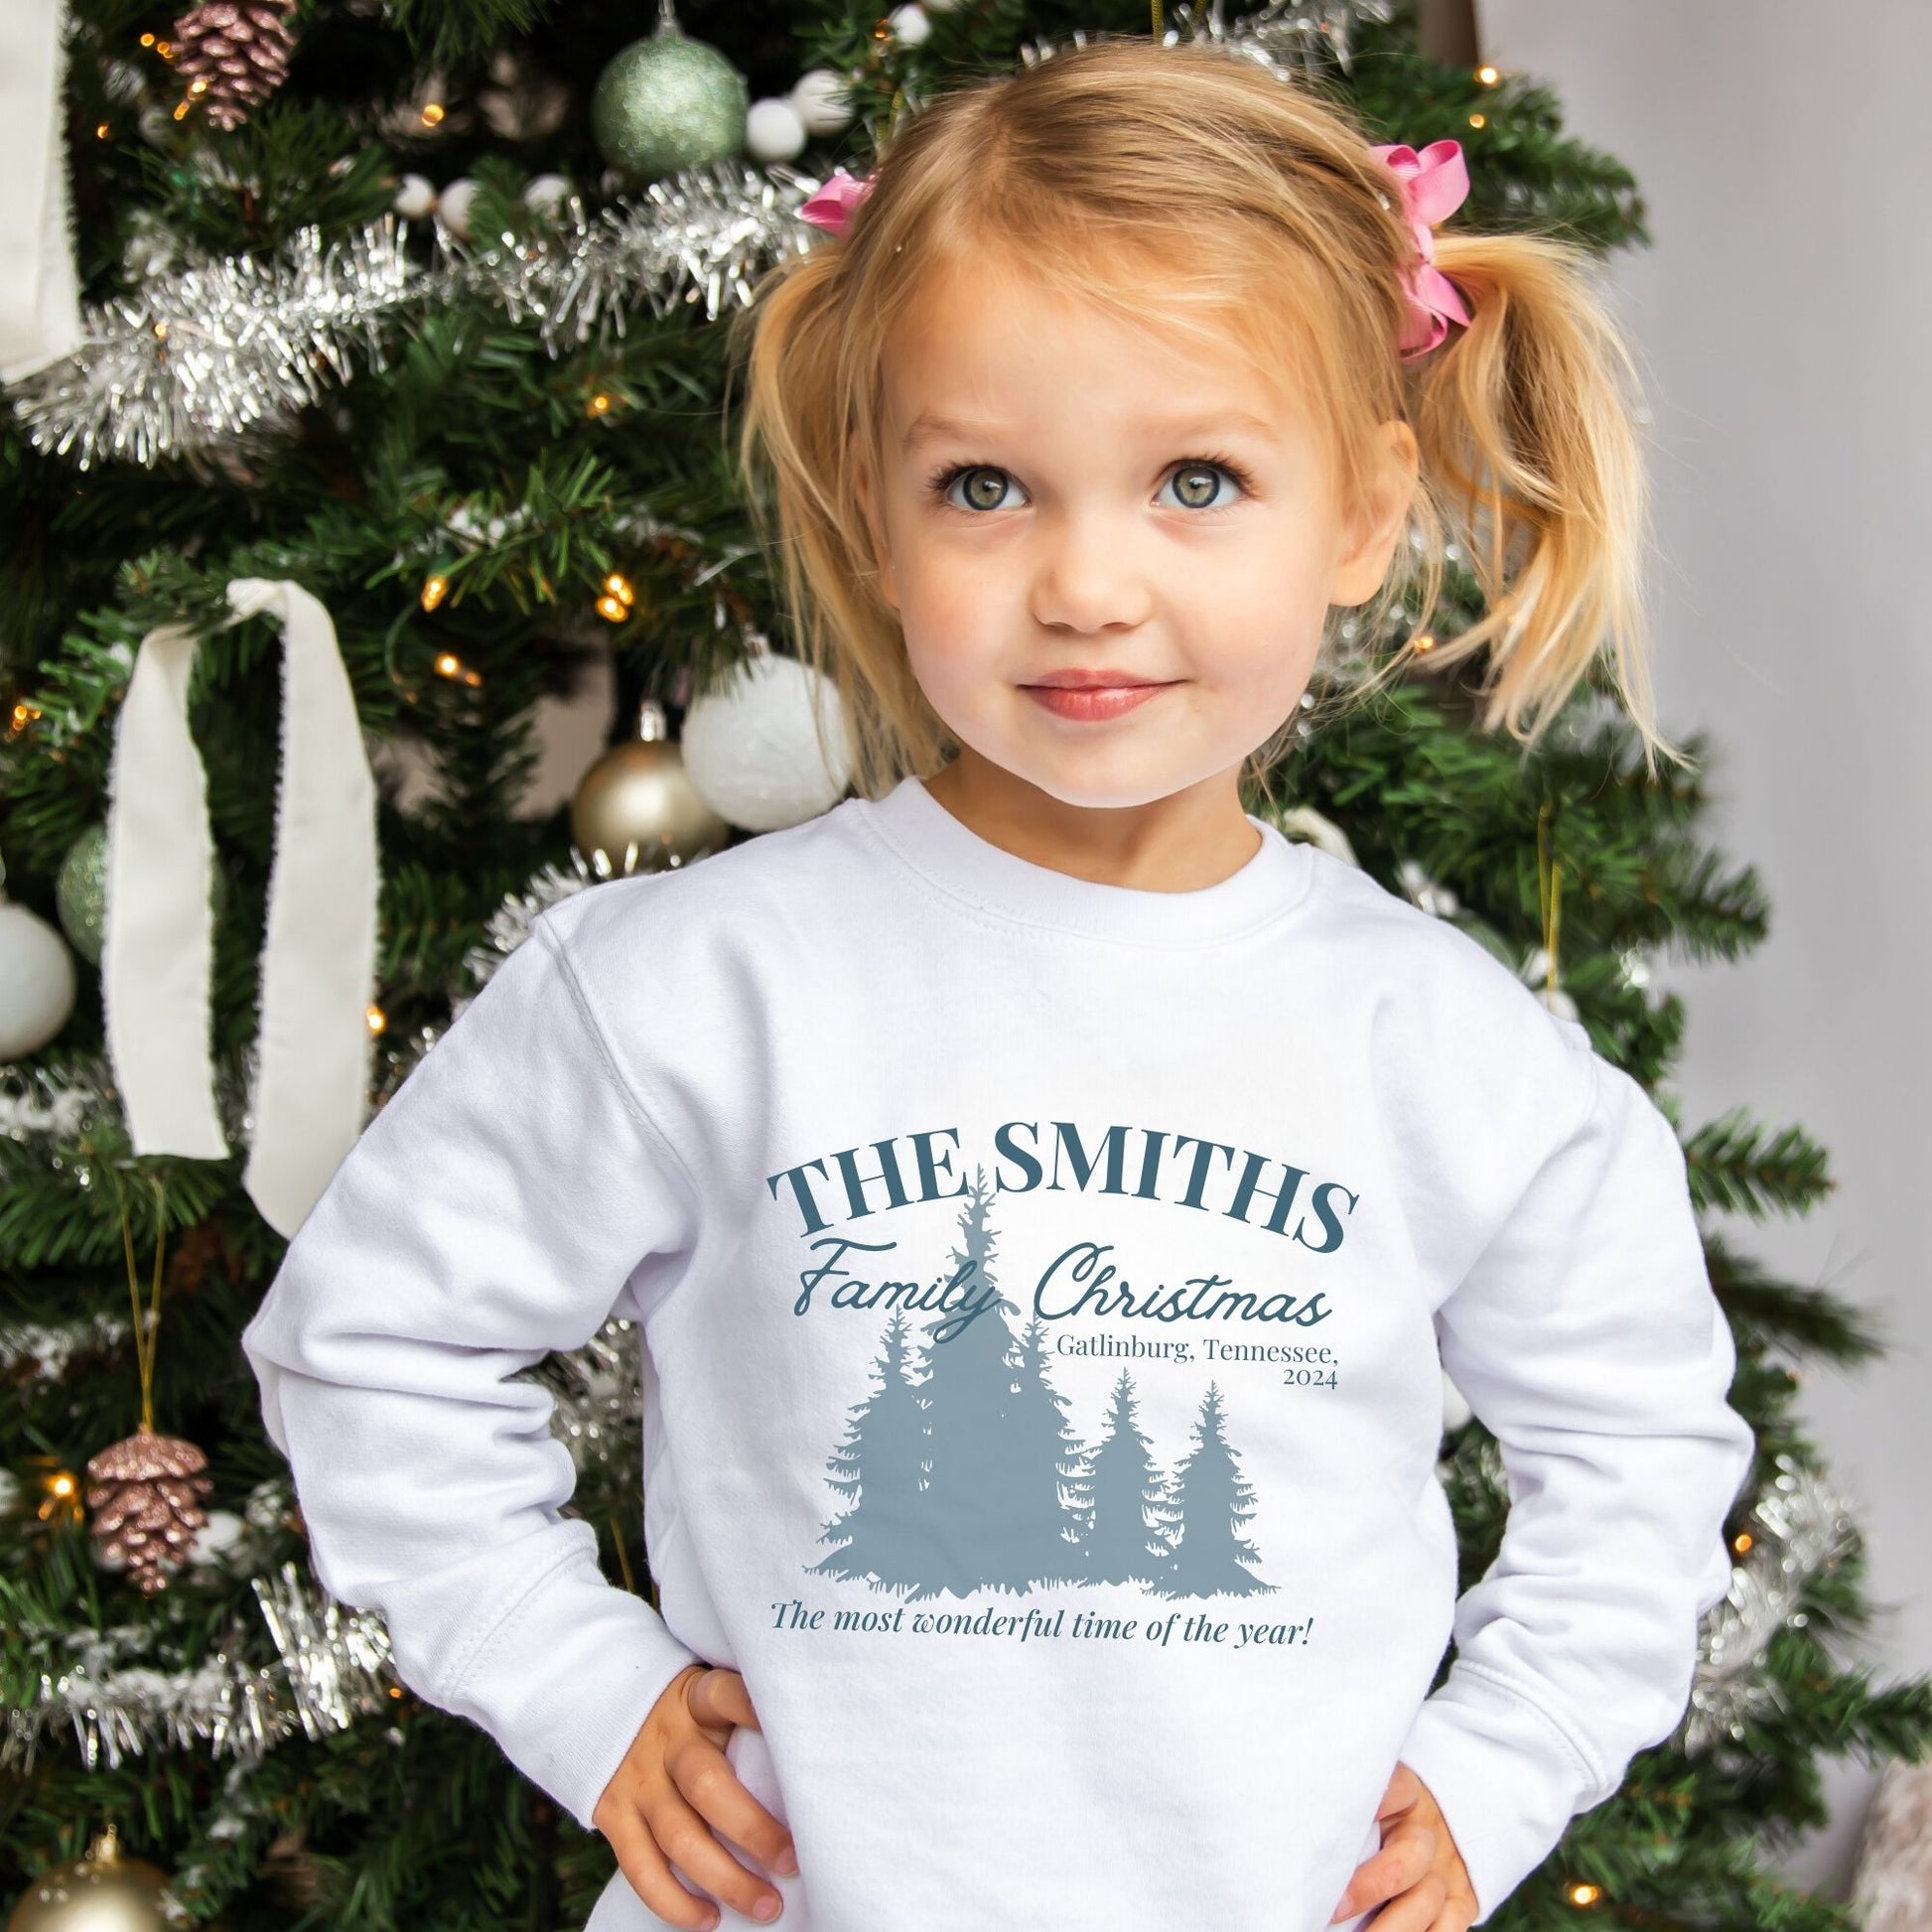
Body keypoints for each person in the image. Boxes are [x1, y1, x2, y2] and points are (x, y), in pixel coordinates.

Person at [241, 35, 1756, 1932]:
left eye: (1196, 477)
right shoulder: (692, 987)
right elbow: (367, 1340)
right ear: (876, 510)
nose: (1087, 582)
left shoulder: (1446, 1053)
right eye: (985, 486)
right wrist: (583, 1685)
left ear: (1363, 513)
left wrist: (1497, 1760)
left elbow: (1641, 1458)